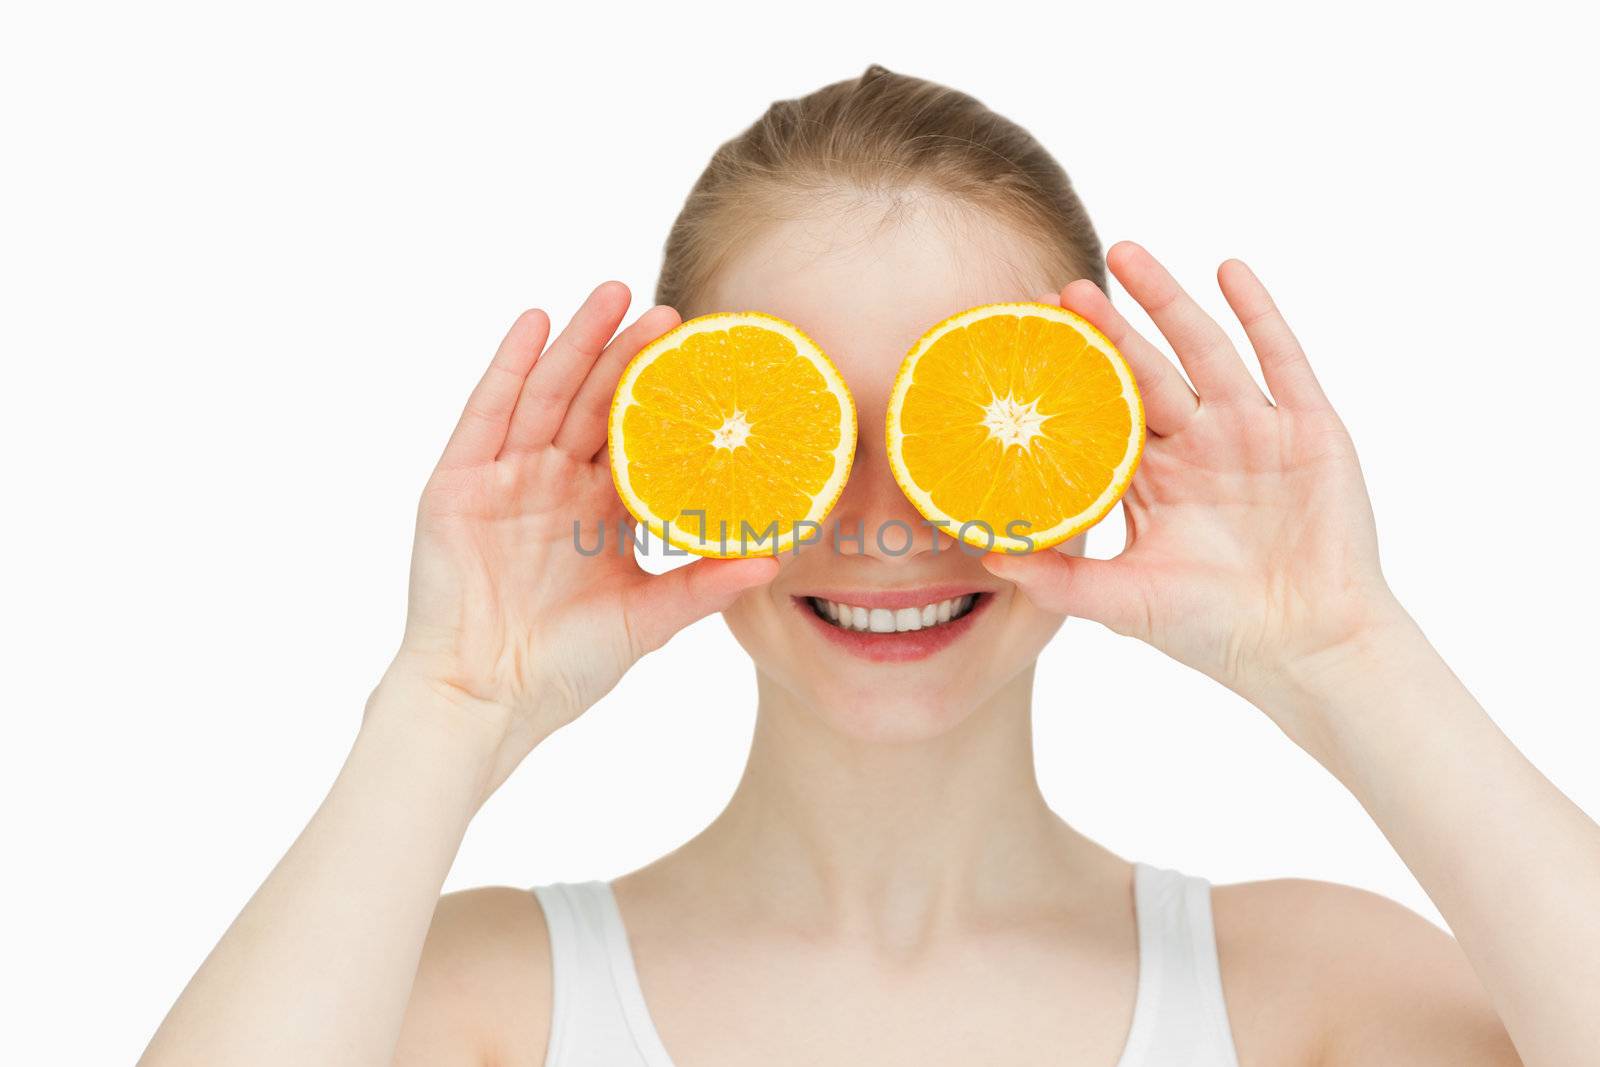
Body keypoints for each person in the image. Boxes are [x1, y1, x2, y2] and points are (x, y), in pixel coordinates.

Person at [138, 64, 1597, 1067]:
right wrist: (445, 705)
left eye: (972, 426)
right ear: (667, 460)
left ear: (1099, 440)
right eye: (800, 426)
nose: (887, 519)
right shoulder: (474, 997)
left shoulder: (1310, 986)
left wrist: (1349, 650)